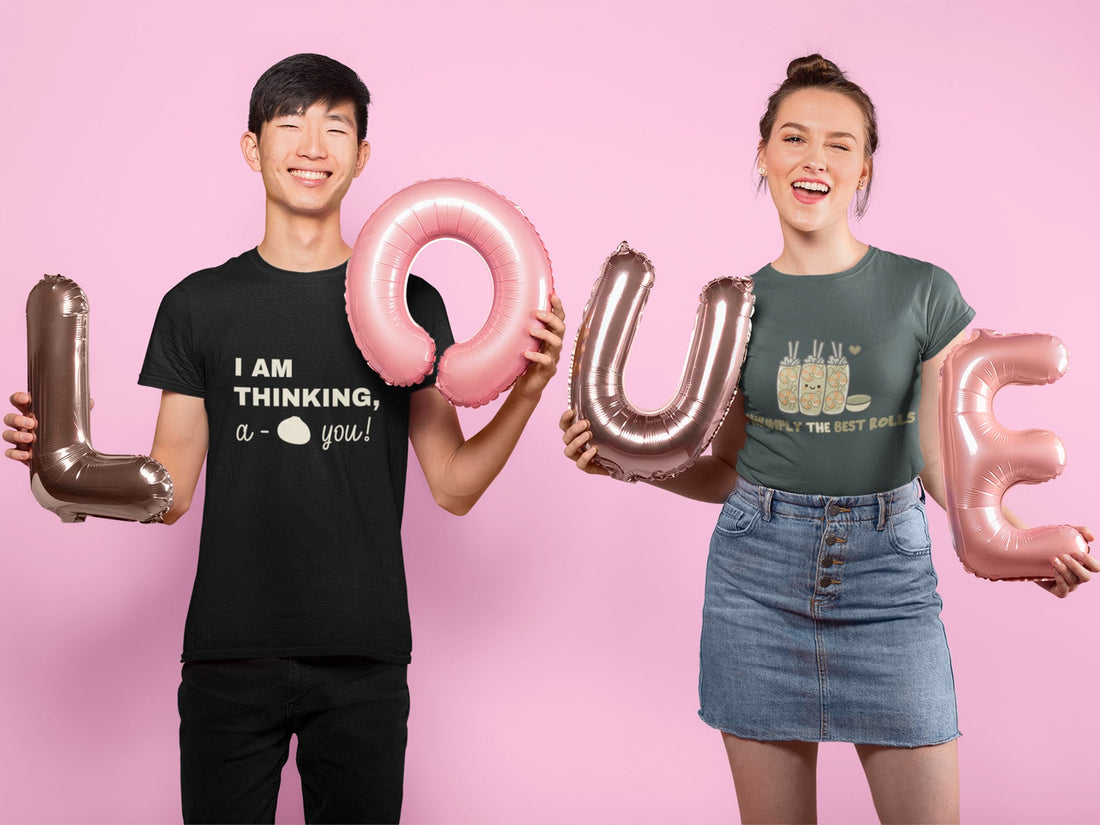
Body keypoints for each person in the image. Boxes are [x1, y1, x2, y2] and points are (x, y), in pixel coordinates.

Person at [4, 53, 565, 824]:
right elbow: (169, 491)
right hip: (229, 654)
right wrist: (67, 466)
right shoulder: (199, 306)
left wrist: (528, 388)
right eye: (290, 124)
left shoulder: (409, 305)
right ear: (252, 146)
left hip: (364, 655)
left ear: (361, 156)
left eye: (335, 128)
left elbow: (454, 484)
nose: (312, 146)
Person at [560, 54, 1096, 824]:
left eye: (840, 144)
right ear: (763, 156)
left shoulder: (923, 292)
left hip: (889, 585)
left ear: (864, 169)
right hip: (757, 581)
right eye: (794, 138)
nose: (815, 158)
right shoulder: (739, 307)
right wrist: (627, 464)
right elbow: (727, 469)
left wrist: (1016, 544)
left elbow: (942, 462)